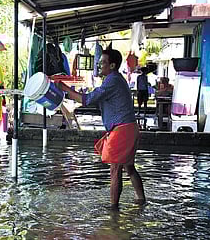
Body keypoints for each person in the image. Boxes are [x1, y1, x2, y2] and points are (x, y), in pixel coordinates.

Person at [56, 49, 146, 210]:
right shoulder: (116, 80)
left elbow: (87, 100)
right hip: (129, 127)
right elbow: (93, 99)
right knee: (129, 167)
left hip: (122, 129)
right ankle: (141, 201)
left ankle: (113, 211)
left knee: (115, 169)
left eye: (103, 62)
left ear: (112, 65)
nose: (99, 64)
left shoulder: (112, 81)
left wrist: (64, 88)